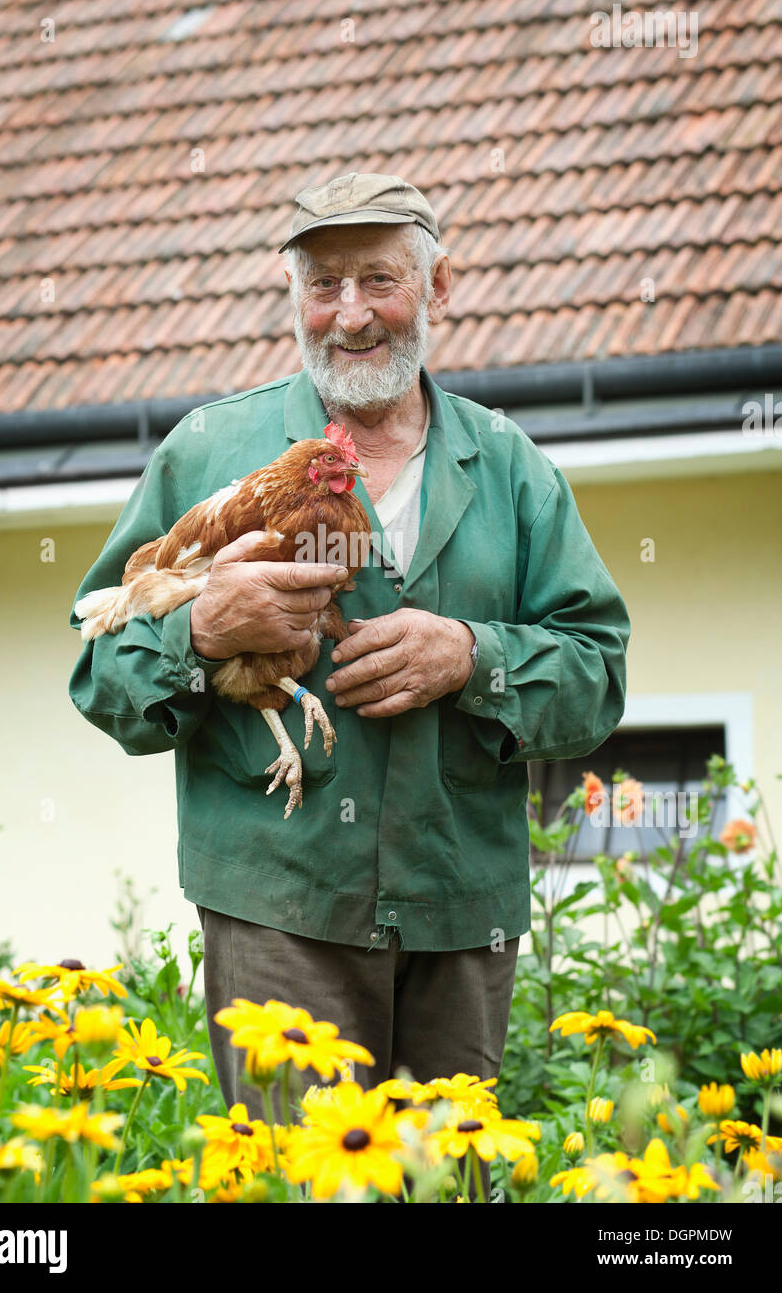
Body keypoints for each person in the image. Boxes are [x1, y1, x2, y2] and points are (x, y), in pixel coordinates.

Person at [69, 173, 630, 1188]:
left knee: (442, 1188)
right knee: (301, 1190)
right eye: (323, 284)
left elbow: (596, 673)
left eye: (379, 279)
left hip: (461, 913)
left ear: (438, 285)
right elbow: (98, 668)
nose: (352, 313)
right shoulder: (208, 450)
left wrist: (473, 657)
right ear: (292, 302)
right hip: (279, 912)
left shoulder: (508, 468)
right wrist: (198, 631)